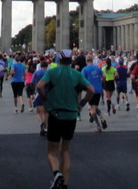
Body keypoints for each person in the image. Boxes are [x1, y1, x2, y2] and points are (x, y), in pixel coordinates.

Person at [37, 49, 95, 189]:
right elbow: (91, 90)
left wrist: (45, 99)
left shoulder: (52, 72)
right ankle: (65, 184)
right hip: (71, 115)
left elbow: (39, 86)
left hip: (56, 114)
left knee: (52, 151)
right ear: (71, 61)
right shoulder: (76, 74)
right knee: (65, 150)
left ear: (59, 59)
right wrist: (81, 104)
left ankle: (57, 174)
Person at [80, 55, 106, 131]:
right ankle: (101, 117)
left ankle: (98, 125)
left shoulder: (85, 69)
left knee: (91, 108)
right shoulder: (98, 68)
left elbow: (82, 79)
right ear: (92, 60)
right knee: (95, 106)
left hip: (90, 90)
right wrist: (102, 82)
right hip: (98, 89)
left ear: (86, 61)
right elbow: (104, 76)